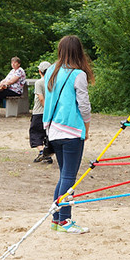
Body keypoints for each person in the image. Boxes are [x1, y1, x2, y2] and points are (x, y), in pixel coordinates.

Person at [44, 35, 94, 234]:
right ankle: (65, 219)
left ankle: (57, 219)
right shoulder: (78, 74)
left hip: (53, 129)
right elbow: (84, 105)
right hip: (71, 129)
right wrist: (87, 127)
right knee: (69, 177)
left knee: (64, 175)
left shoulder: (50, 71)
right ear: (78, 51)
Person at [30, 61, 53, 164]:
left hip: (39, 112)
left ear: (40, 71)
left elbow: (41, 98)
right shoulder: (53, 82)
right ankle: (47, 152)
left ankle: (42, 151)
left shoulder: (39, 82)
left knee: (35, 133)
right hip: (51, 112)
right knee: (47, 134)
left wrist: (46, 109)